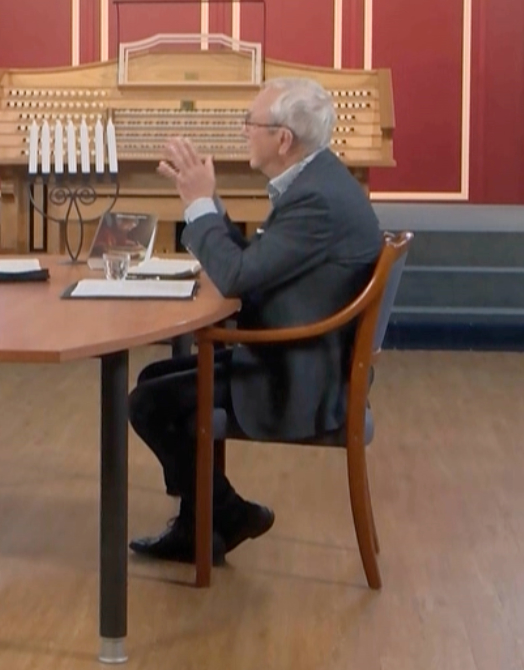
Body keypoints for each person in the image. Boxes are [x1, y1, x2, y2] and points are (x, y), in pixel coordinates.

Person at [128, 77, 383, 563]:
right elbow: (258, 264)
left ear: (283, 139)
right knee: (155, 378)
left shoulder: (316, 200)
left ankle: (221, 515)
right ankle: (208, 519)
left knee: (149, 402)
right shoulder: (320, 180)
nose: (244, 130)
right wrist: (207, 203)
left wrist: (198, 206)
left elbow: (236, 276)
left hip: (299, 380)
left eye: (251, 122)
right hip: (301, 357)